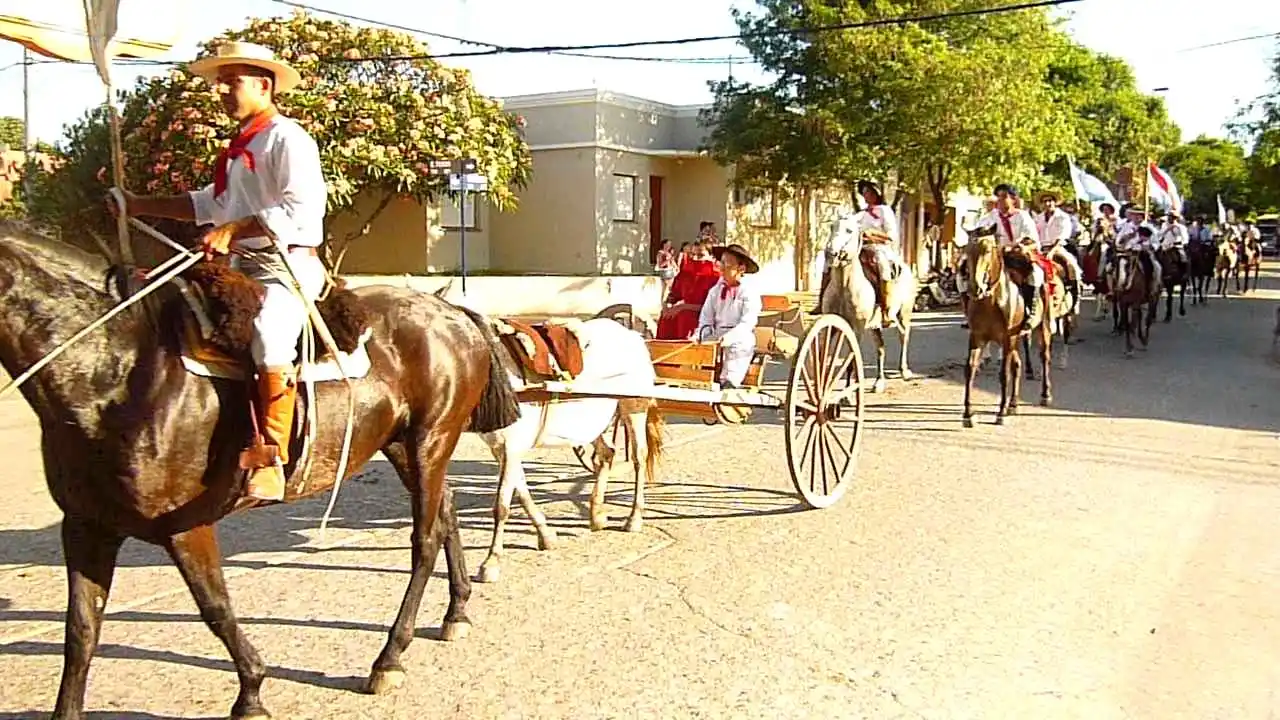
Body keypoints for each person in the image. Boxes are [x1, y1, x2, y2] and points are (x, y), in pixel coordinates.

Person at [114, 41, 327, 502]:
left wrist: (233, 228)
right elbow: (208, 203)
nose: (223, 91)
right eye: (220, 83)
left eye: (233, 82)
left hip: (285, 267)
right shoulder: (238, 147)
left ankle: (271, 456)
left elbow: (303, 211)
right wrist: (138, 204)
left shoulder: (289, 139)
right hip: (236, 269)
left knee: (269, 335)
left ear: (263, 86)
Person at [811, 180, 903, 327]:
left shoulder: (885, 211)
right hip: (857, 248)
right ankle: (822, 301)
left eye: (869, 192)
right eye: (865, 193)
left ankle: (886, 310)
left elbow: (891, 236)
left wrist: (870, 235)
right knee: (830, 261)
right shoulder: (859, 214)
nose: (866, 195)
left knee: (882, 265)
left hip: (877, 248)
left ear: (876, 194)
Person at [971, 184, 1043, 330]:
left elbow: (1032, 240)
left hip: (1016, 256)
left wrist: (1019, 247)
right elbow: (977, 234)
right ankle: (971, 313)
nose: (1000, 200)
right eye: (998, 197)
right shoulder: (989, 217)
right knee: (964, 274)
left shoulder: (1022, 217)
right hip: (993, 256)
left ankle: (1030, 311)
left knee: (1036, 274)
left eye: (1004, 197)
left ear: (1013, 199)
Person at [696, 244, 762, 389]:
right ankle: (698, 381)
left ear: (741, 268)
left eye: (728, 264)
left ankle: (730, 383)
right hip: (717, 335)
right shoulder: (715, 291)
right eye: (722, 263)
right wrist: (701, 335)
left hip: (739, 336)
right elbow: (706, 318)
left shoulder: (749, 291)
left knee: (743, 344)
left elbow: (748, 322)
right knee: (697, 347)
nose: (722, 268)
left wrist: (730, 337)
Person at [656, 238, 720, 340]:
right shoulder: (685, 274)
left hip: (704, 318)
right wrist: (667, 306)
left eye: (700, 255)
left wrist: (684, 307)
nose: (695, 259)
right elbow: (673, 295)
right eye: (692, 255)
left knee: (685, 317)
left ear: (711, 257)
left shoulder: (716, 278)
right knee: (666, 318)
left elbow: (714, 308)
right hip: (683, 312)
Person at [1034, 190, 1083, 309]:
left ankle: (1076, 296)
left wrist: (1052, 251)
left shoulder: (1063, 217)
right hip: (1040, 248)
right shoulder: (1038, 218)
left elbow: (1062, 236)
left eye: (1050, 201)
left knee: (1072, 266)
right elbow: (1034, 233)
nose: (1047, 204)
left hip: (1057, 247)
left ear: (1054, 202)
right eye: (1045, 201)